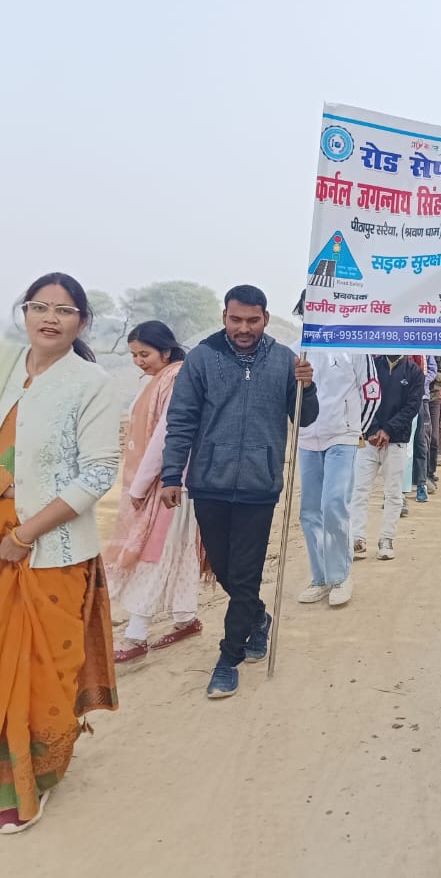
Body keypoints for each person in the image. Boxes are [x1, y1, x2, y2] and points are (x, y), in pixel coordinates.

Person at [0, 273, 120, 834]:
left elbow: (99, 472)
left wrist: (27, 533)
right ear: (24, 312)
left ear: (82, 321)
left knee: (41, 671)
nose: (50, 317)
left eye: (64, 310)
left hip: (50, 551)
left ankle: (32, 776)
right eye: (39, 306)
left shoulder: (91, 383)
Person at [160, 285, 318, 700]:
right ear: (224, 317)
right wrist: (171, 475)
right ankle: (258, 618)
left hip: (259, 485)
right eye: (236, 319)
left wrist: (308, 387)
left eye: (252, 320)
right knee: (225, 568)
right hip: (209, 482)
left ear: (265, 318)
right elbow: (181, 420)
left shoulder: (285, 360)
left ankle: (228, 659)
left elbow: (305, 418)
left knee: (245, 574)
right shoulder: (201, 358)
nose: (243, 328)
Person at [104, 322, 204, 663]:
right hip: (172, 482)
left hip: (171, 483)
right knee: (177, 549)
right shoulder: (163, 378)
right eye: (133, 355)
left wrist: (141, 484)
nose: (138, 361)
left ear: (166, 350)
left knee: (155, 553)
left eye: (144, 354)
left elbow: (166, 435)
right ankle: (186, 619)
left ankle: (136, 636)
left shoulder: (176, 379)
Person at [291, 298, 378, 608]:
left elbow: (371, 391)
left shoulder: (353, 346)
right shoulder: (296, 350)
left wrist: (355, 430)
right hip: (307, 439)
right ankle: (320, 578)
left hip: (342, 437)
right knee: (309, 512)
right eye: (310, 308)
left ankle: (340, 575)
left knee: (334, 505)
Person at [350, 355, 424, 560]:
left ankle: (387, 538)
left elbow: (412, 407)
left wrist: (389, 430)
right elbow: (361, 398)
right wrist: (373, 429)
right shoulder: (371, 367)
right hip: (369, 440)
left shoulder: (414, 372)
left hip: (396, 441)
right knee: (359, 490)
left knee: (393, 493)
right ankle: (357, 538)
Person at [413, 356, 437, 502]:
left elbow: (433, 370)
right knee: (398, 446)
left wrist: (420, 381)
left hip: (421, 399)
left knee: (421, 442)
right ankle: (395, 490)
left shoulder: (425, 350)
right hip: (399, 399)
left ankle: (421, 483)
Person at [428, 356, 441, 482]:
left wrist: (428, 375)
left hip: (434, 397)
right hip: (415, 395)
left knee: (433, 437)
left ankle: (430, 472)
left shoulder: (440, 352)